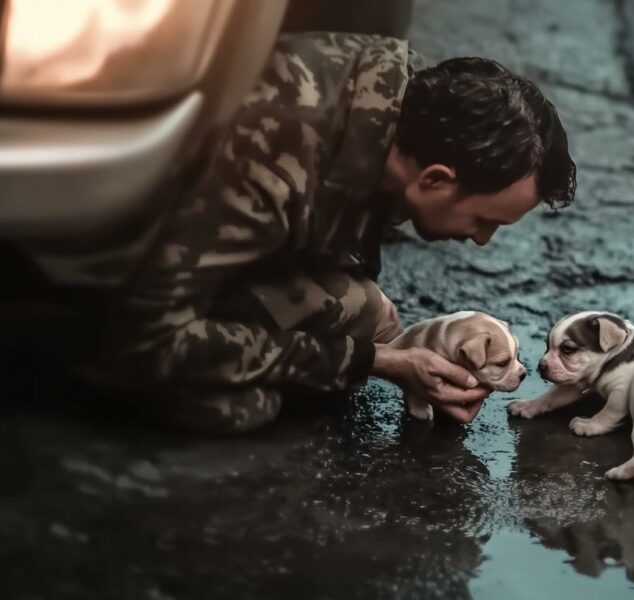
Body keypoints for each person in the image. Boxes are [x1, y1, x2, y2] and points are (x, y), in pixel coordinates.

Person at [85, 32, 576, 433]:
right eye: (483, 220)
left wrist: (406, 349)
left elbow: (336, 239)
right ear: (435, 181)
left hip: (204, 246)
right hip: (104, 275)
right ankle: (57, 344)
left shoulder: (405, 113)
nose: (482, 239)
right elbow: (148, 336)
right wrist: (367, 362)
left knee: (363, 310)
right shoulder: (267, 165)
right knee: (242, 407)